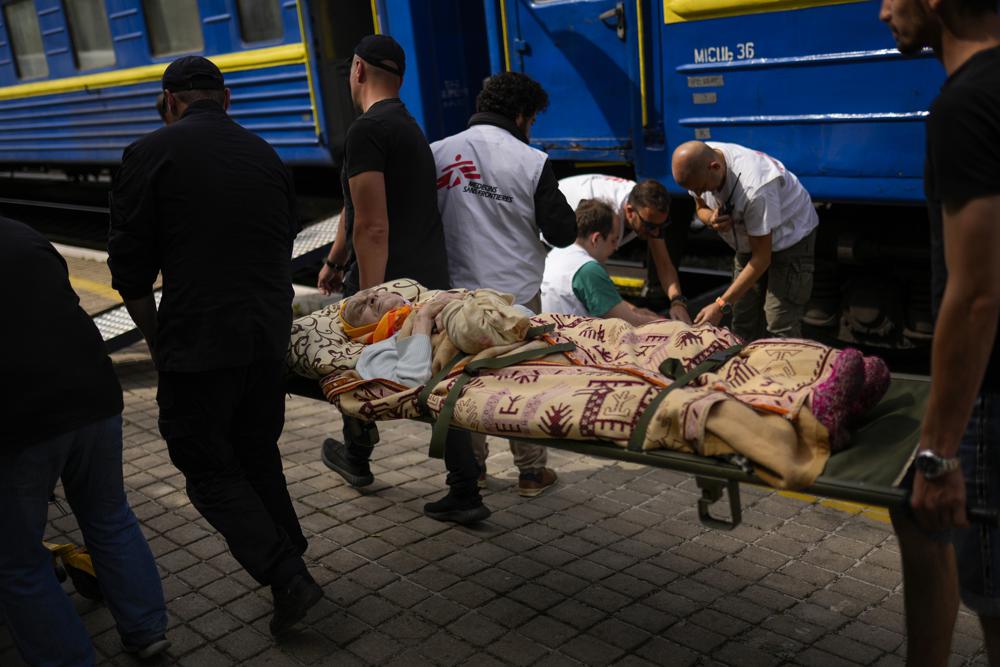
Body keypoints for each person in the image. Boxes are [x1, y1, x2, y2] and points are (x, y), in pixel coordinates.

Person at [108, 56, 320, 637]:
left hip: (199, 341)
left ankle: (287, 574)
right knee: (256, 453)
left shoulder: (149, 153)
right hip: (266, 336)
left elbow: (129, 272)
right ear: (226, 99)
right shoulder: (266, 155)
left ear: (170, 101)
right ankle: (291, 559)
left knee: (205, 467)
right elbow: (284, 243)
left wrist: (157, 342)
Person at [880, 0, 1000, 662]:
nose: (882, 12)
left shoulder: (965, 104)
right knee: (915, 518)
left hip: (991, 389)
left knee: (996, 601)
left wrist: (939, 453)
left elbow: (977, 292)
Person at [0, 217, 169, 663]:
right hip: (93, 395)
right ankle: (147, 629)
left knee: (17, 559)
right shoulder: (26, 235)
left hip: (20, 419)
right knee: (109, 515)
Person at [430, 71, 575, 497]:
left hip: (456, 295)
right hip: (516, 297)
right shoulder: (531, 161)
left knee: (463, 381)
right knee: (520, 380)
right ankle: (531, 473)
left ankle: (472, 470)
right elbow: (563, 232)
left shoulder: (438, 152)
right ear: (522, 115)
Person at [317, 34, 452, 490]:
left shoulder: (366, 130)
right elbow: (354, 207)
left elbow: (372, 225)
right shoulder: (408, 126)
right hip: (427, 277)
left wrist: (367, 296)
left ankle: (356, 456)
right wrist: (335, 261)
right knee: (439, 376)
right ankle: (464, 483)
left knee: (353, 366)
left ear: (357, 70)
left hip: (391, 285)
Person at [338, 289, 490, 523]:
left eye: (375, 292)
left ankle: (464, 492)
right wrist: (422, 320)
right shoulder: (376, 351)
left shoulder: (435, 302)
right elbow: (412, 383)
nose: (372, 297)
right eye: (361, 308)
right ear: (363, 332)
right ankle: (464, 491)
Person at [671, 141, 819, 341]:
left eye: (702, 188)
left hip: (790, 238)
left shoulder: (755, 189)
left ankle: (783, 358)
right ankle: (745, 358)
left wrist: (720, 305)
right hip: (749, 238)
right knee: (742, 317)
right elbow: (700, 207)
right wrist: (710, 218)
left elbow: (761, 259)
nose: (698, 193)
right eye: (693, 190)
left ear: (715, 167)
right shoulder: (696, 165)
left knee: (779, 323)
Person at [558, 174, 692, 323]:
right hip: (554, 220)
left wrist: (677, 302)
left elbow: (664, 264)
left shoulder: (644, 204)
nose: (655, 233)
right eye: (650, 226)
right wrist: (632, 311)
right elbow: (593, 281)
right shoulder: (605, 216)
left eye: (661, 226)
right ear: (629, 211)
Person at [542, 198, 664, 325]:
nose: (616, 248)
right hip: (568, 335)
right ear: (596, 239)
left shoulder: (555, 254)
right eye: (613, 240)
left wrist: (635, 310)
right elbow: (628, 321)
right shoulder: (587, 269)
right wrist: (665, 323)